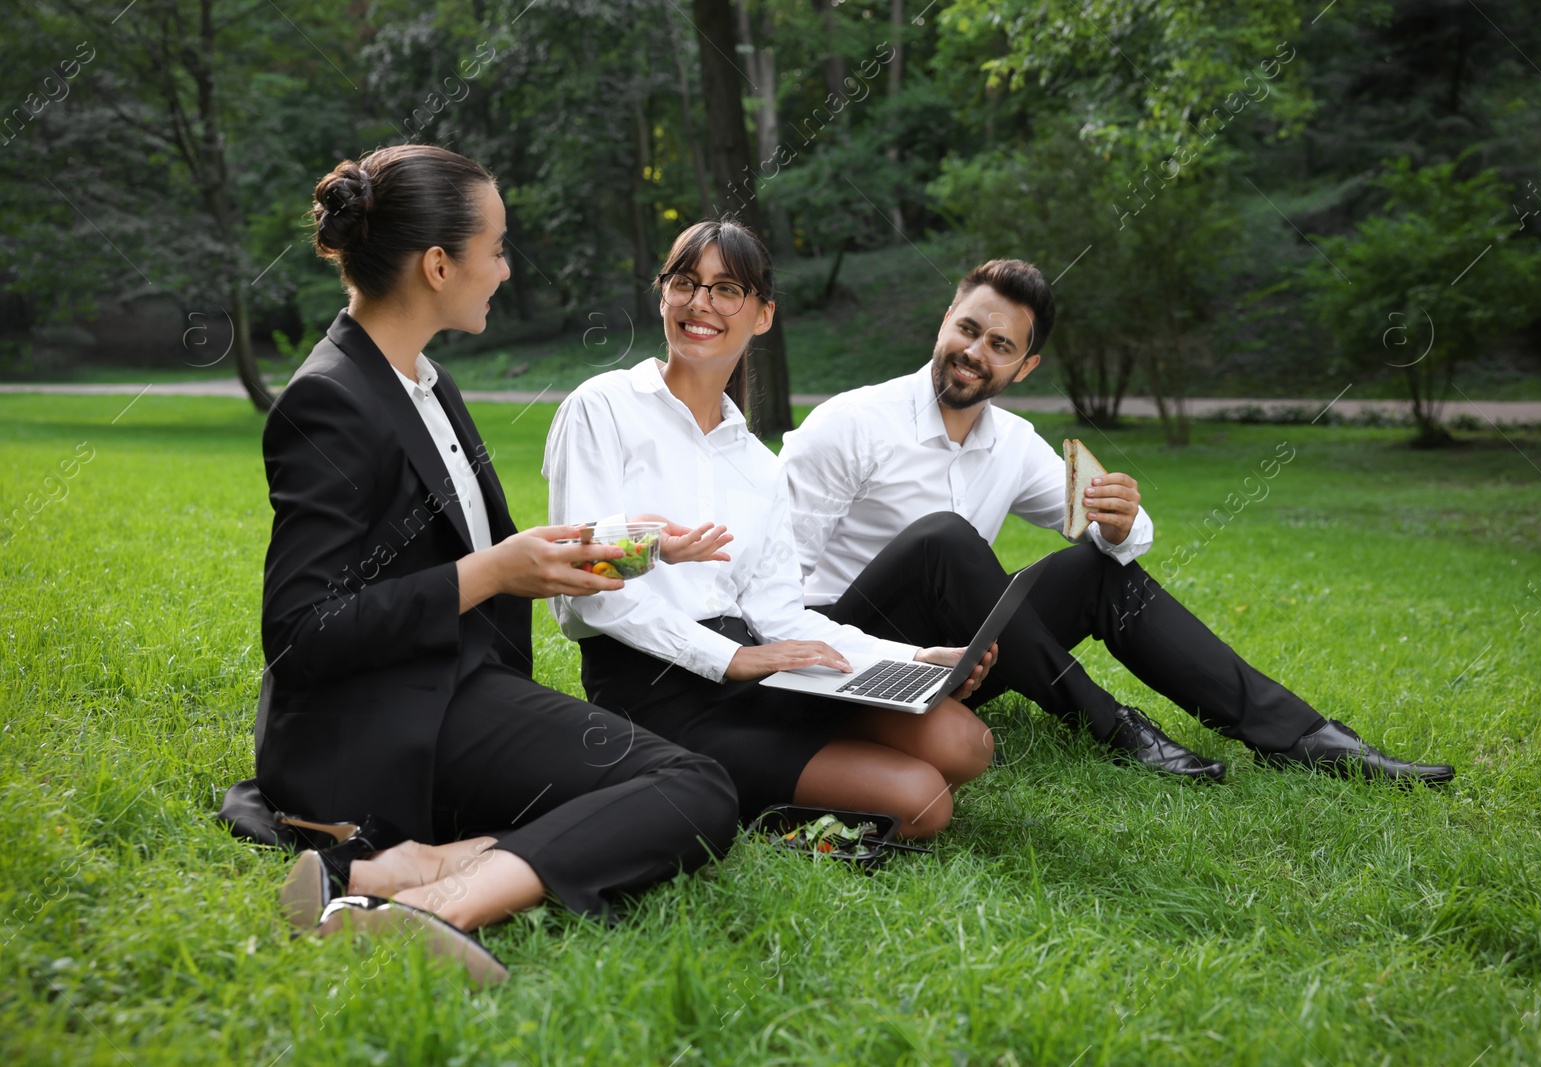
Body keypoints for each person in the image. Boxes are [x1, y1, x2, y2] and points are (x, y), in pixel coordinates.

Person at [243, 145, 739, 986]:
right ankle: (426, 911)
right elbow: (299, 631)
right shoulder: (328, 400)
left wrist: (612, 545)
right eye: (497, 248)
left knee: (654, 789)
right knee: (695, 786)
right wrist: (494, 575)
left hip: (452, 687)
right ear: (438, 264)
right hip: (382, 720)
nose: (506, 270)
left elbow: (472, 543)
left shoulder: (422, 379)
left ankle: (381, 873)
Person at [778, 258, 1455, 785]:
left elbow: (1112, 536)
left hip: (960, 667)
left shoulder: (1012, 442)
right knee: (945, 541)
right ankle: (1115, 728)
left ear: (1024, 365)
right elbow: (772, 591)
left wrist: (1122, 518)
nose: (976, 350)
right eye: (967, 328)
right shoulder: (851, 423)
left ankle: (1304, 738)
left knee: (1097, 565)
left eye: (1001, 344)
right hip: (848, 667)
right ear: (945, 319)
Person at [543, 218, 999, 838]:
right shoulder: (602, 407)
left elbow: (781, 615)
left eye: (727, 289)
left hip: (756, 667)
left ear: (762, 315)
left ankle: (781, 765)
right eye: (685, 282)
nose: (701, 303)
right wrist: (730, 657)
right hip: (651, 691)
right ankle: (724, 800)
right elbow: (585, 593)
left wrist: (914, 658)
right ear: (663, 295)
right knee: (923, 801)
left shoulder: (758, 464)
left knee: (965, 743)